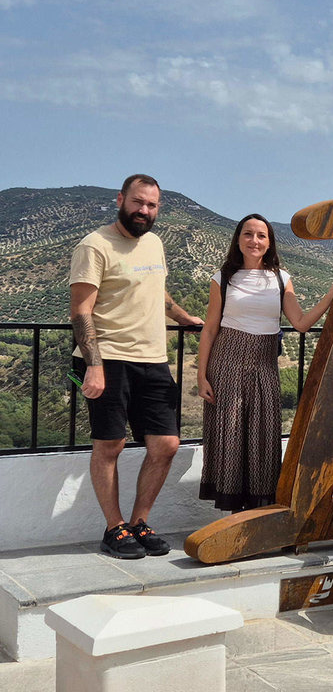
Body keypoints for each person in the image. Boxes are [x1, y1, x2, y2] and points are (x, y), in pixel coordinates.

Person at [69, 174, 204, 560]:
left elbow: (158, 293)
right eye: (138, 202)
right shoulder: (94, 245)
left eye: (152, 205)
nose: (144, 211)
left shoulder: (154, 243)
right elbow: (81, 311)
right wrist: (93, 367)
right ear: (121, 200)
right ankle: (114, 529)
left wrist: (184, 317)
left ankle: (139, 522)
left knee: (166, 444)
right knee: (109, 444)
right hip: (107, 358)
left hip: (153, 359)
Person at [197, 214, 333, 512]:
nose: (254, 240)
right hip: (226, 363)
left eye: (261, 235)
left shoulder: (281, 278)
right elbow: (210, 329)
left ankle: (259, 511)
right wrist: (202, 377)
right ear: (238, 240)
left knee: (263, 435)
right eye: (248, 234)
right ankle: (234, 510)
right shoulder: (222, 277)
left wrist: (330, 295)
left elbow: (300, 323)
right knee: (231, 433)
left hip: (264, 364)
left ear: (270, 242)